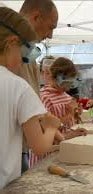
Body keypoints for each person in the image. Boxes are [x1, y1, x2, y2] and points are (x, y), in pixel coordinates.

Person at [0, 7, 61, 189]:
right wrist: (51, 128)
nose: (23, 62)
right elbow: (40, 147)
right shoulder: (17, 85)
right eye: (24, 55)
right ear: (12, 42)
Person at [40, 57, 87, 138]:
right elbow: (45, 130)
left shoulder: (66, 96)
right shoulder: (45, 97)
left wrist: (75, 116)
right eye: (65, 84)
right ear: (54, 78)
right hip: (52, 148)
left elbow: (68, 125)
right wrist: (69, 115)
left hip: (65, 144)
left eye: (70, 84)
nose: (68, 88)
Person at [19, 0, 58, 94]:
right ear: (36, 17)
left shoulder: (29, 53)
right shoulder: (7, 49)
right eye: (50, 27)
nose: (50, 36)